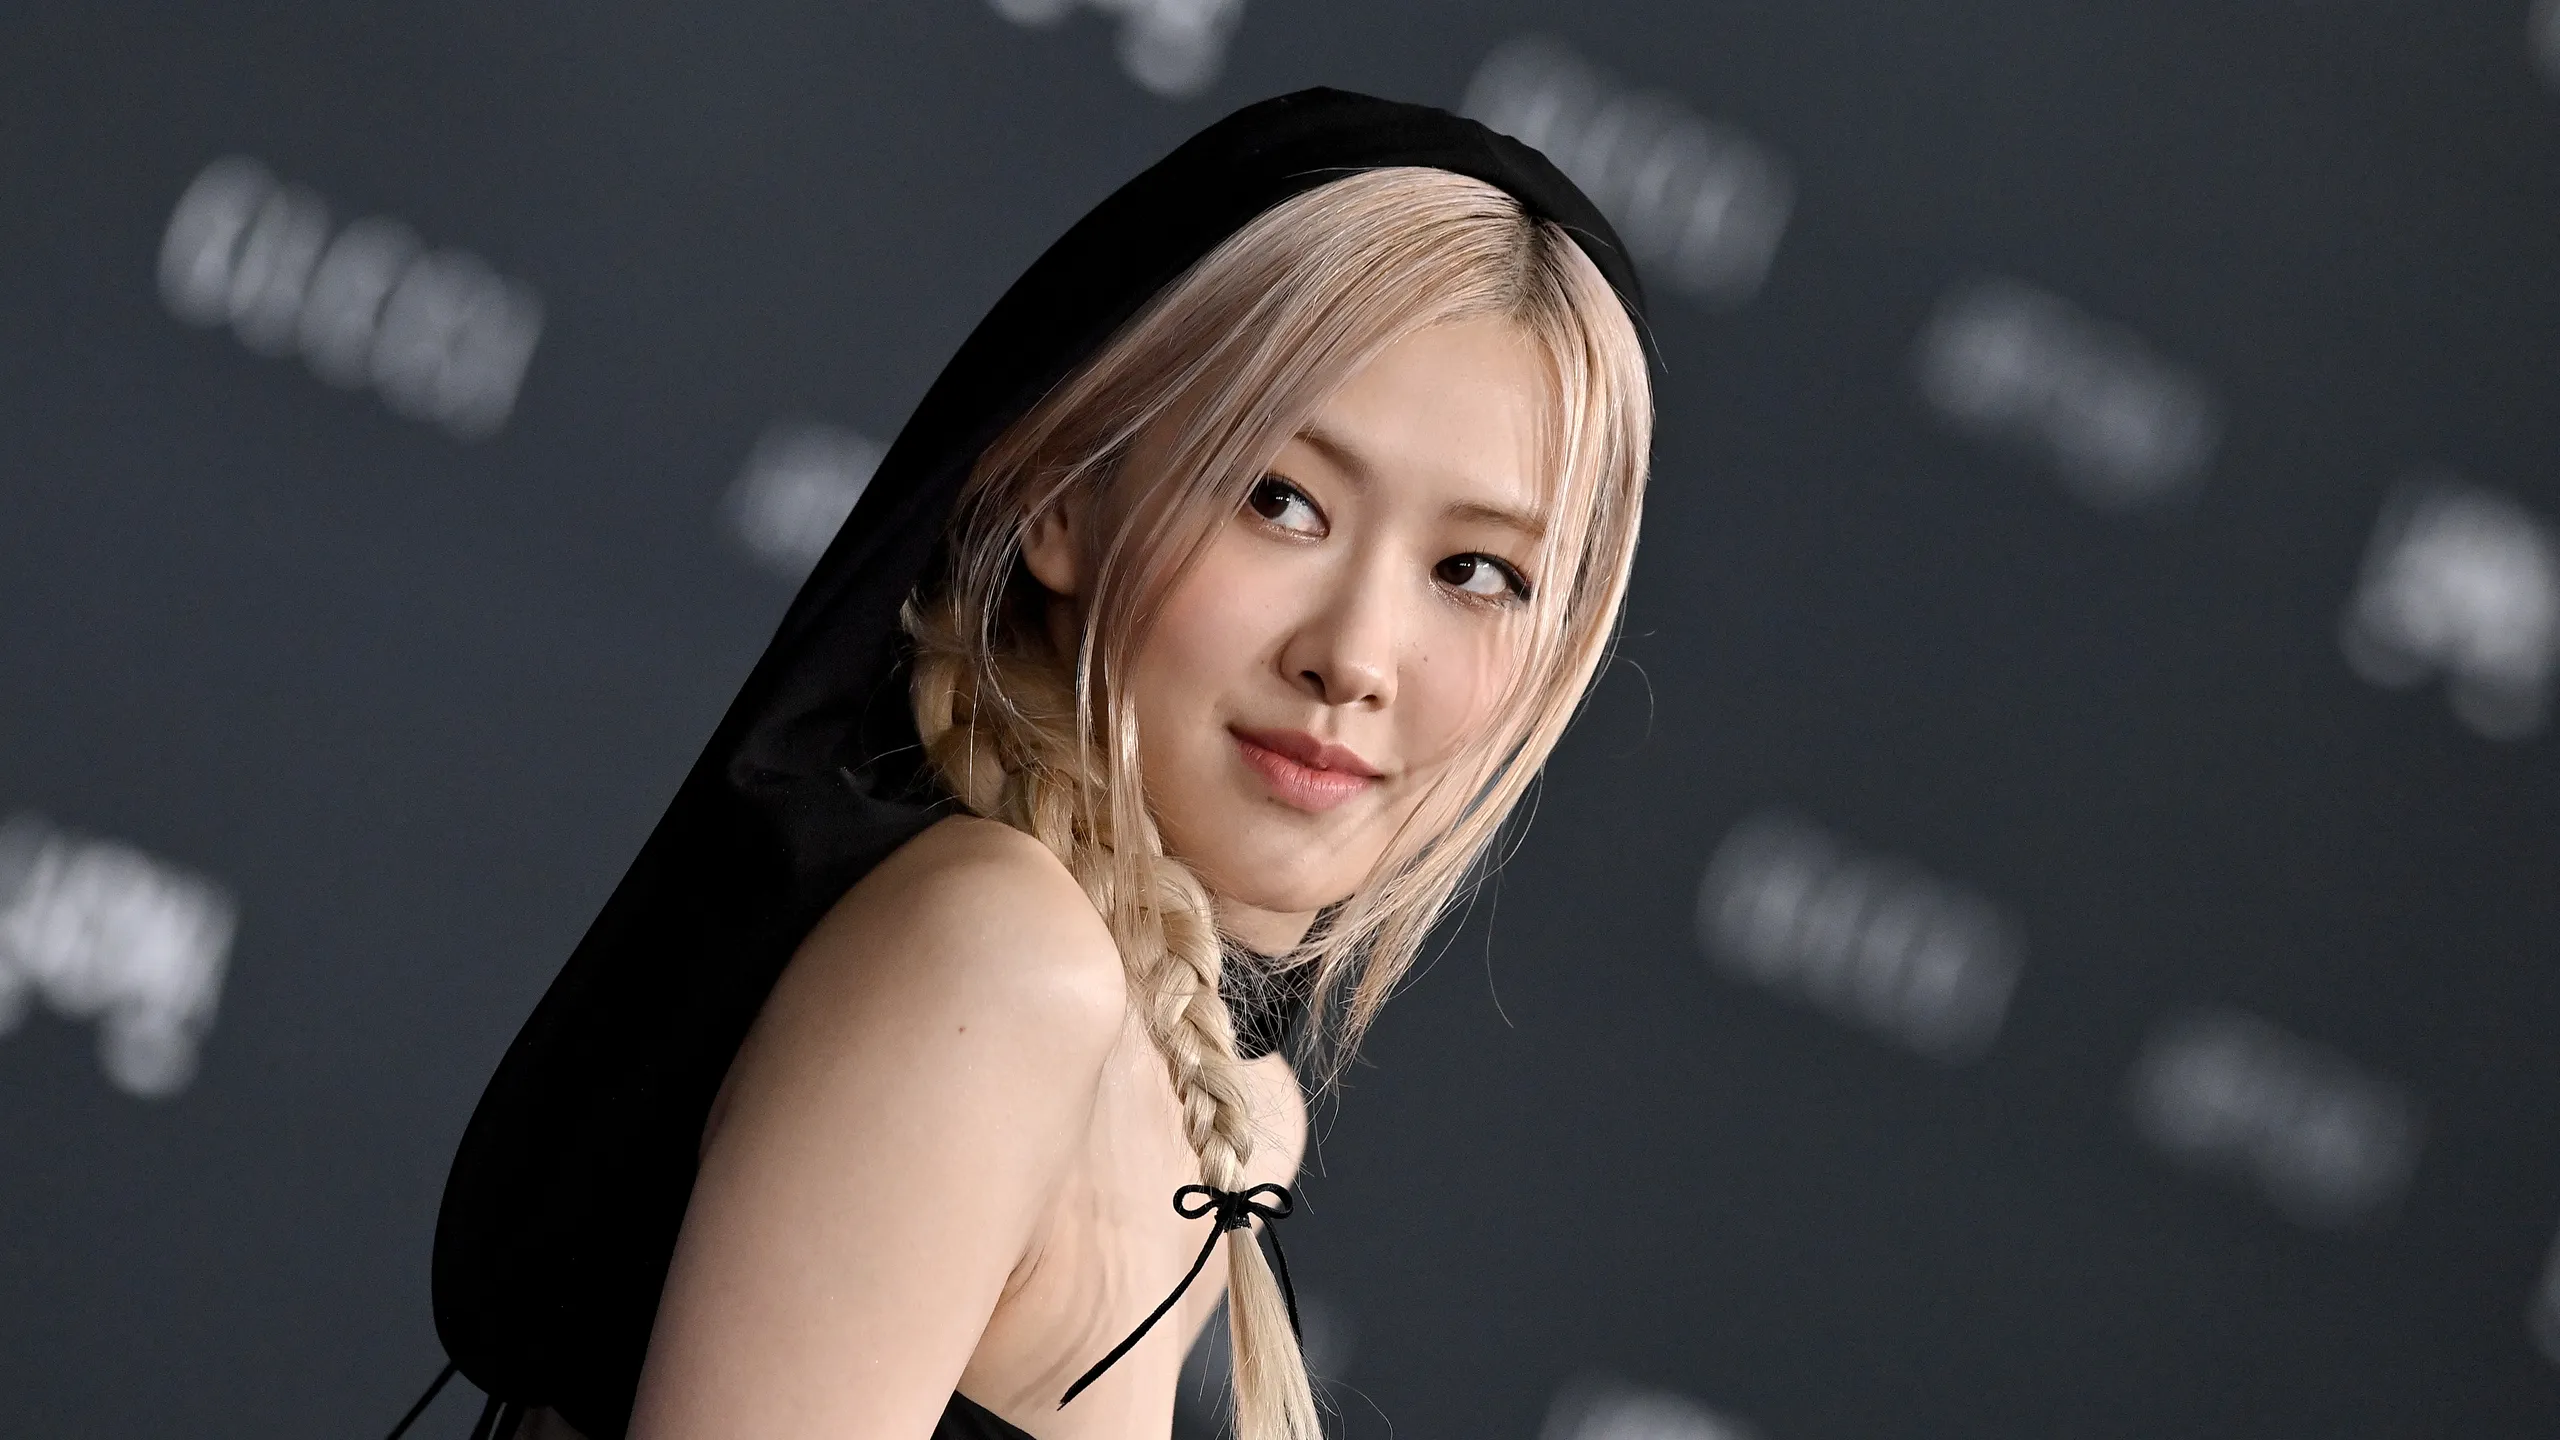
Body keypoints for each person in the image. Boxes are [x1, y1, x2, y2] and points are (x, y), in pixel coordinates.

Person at [409, 89, 1652, 1440]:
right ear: (1061, 492)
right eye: (1279, 499)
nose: (1356, 656)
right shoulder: (1003, 969)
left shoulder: (1232, 1112)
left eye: (1477, 572)